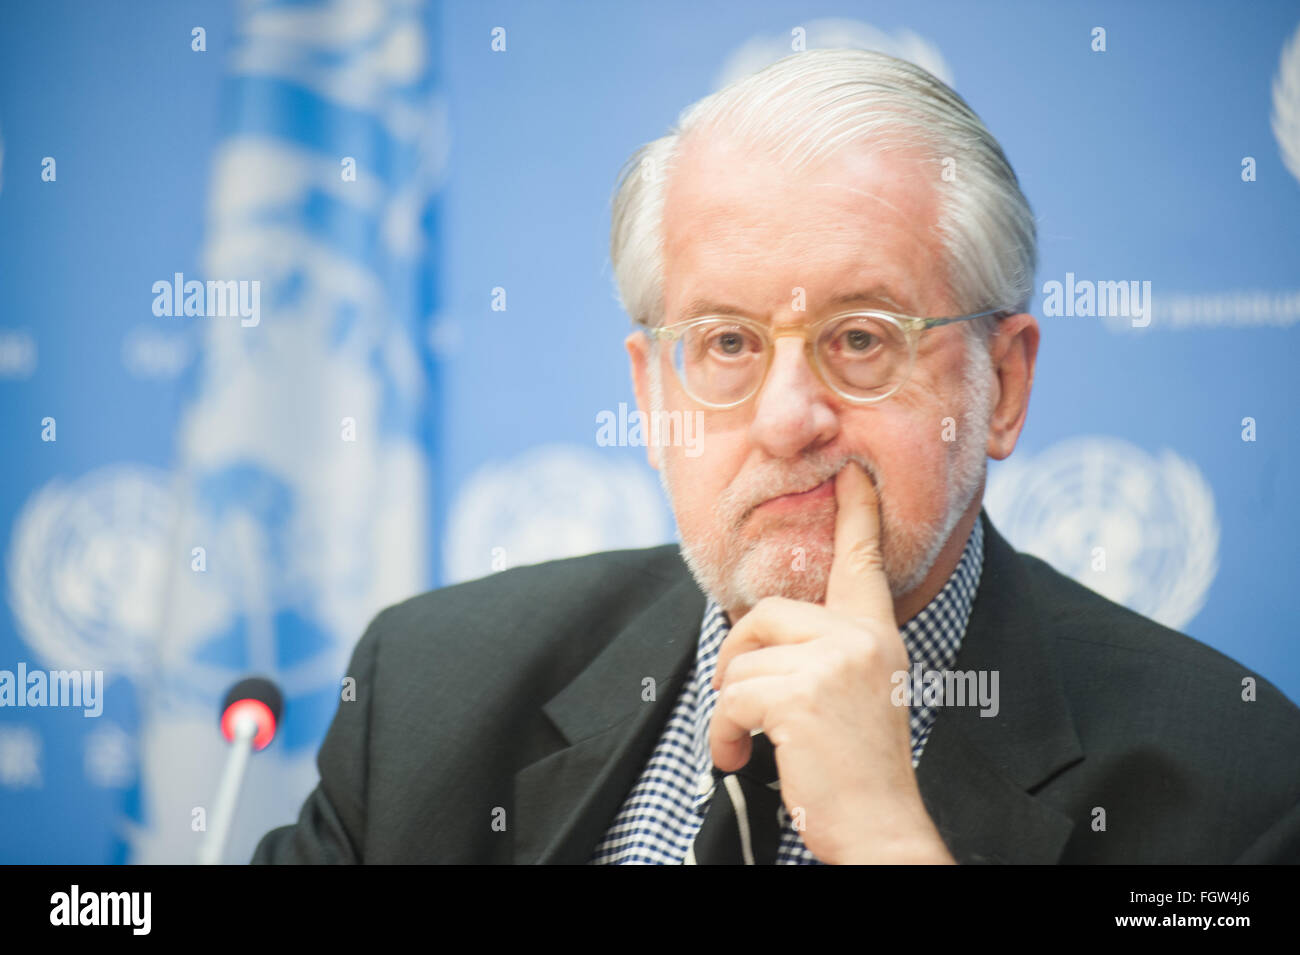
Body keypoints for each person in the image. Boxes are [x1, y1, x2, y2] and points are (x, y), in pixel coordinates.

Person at [252, 48, 1300, 864]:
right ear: (651, 395)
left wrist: (889, 838)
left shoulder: (1237, 788)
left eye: (860, 338)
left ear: (1002, 386)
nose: (788, 418)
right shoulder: (428, 692)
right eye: (726, 344)